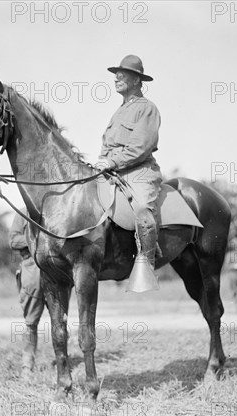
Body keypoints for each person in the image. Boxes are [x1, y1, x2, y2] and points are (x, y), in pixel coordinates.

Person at [94, 54, 163, 275]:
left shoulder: (147, 108)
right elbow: (108, 146)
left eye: (123, 75)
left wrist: (111, 161)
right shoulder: (120, 110)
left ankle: (147, 265)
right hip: (113, 170)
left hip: (139, 171)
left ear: (137, 80)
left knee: (143, 209)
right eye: (116, 75)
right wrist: (100, 163)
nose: (117, 78)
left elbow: (140, 147)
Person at [8, 210, 45, 376]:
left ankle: (63, 365)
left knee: (61, 320)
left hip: (56, 269)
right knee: (31, 322)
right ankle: (27, 367)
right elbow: (13, 240)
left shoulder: (56, 209)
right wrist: (36, 239)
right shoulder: (23, 213)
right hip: (31, 268)